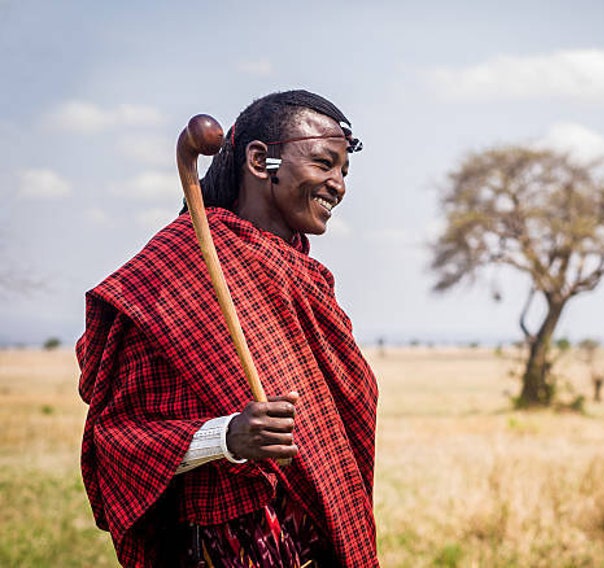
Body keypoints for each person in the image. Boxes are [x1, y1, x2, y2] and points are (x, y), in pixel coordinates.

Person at [77, 90, 379, 567]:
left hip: (315, 542)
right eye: (324, 164)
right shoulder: (178, 268)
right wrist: (227, 436)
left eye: (344, 171)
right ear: (261, 159)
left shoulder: (304, 277)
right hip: (220, 548)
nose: (337, 185)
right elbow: (117, 443)